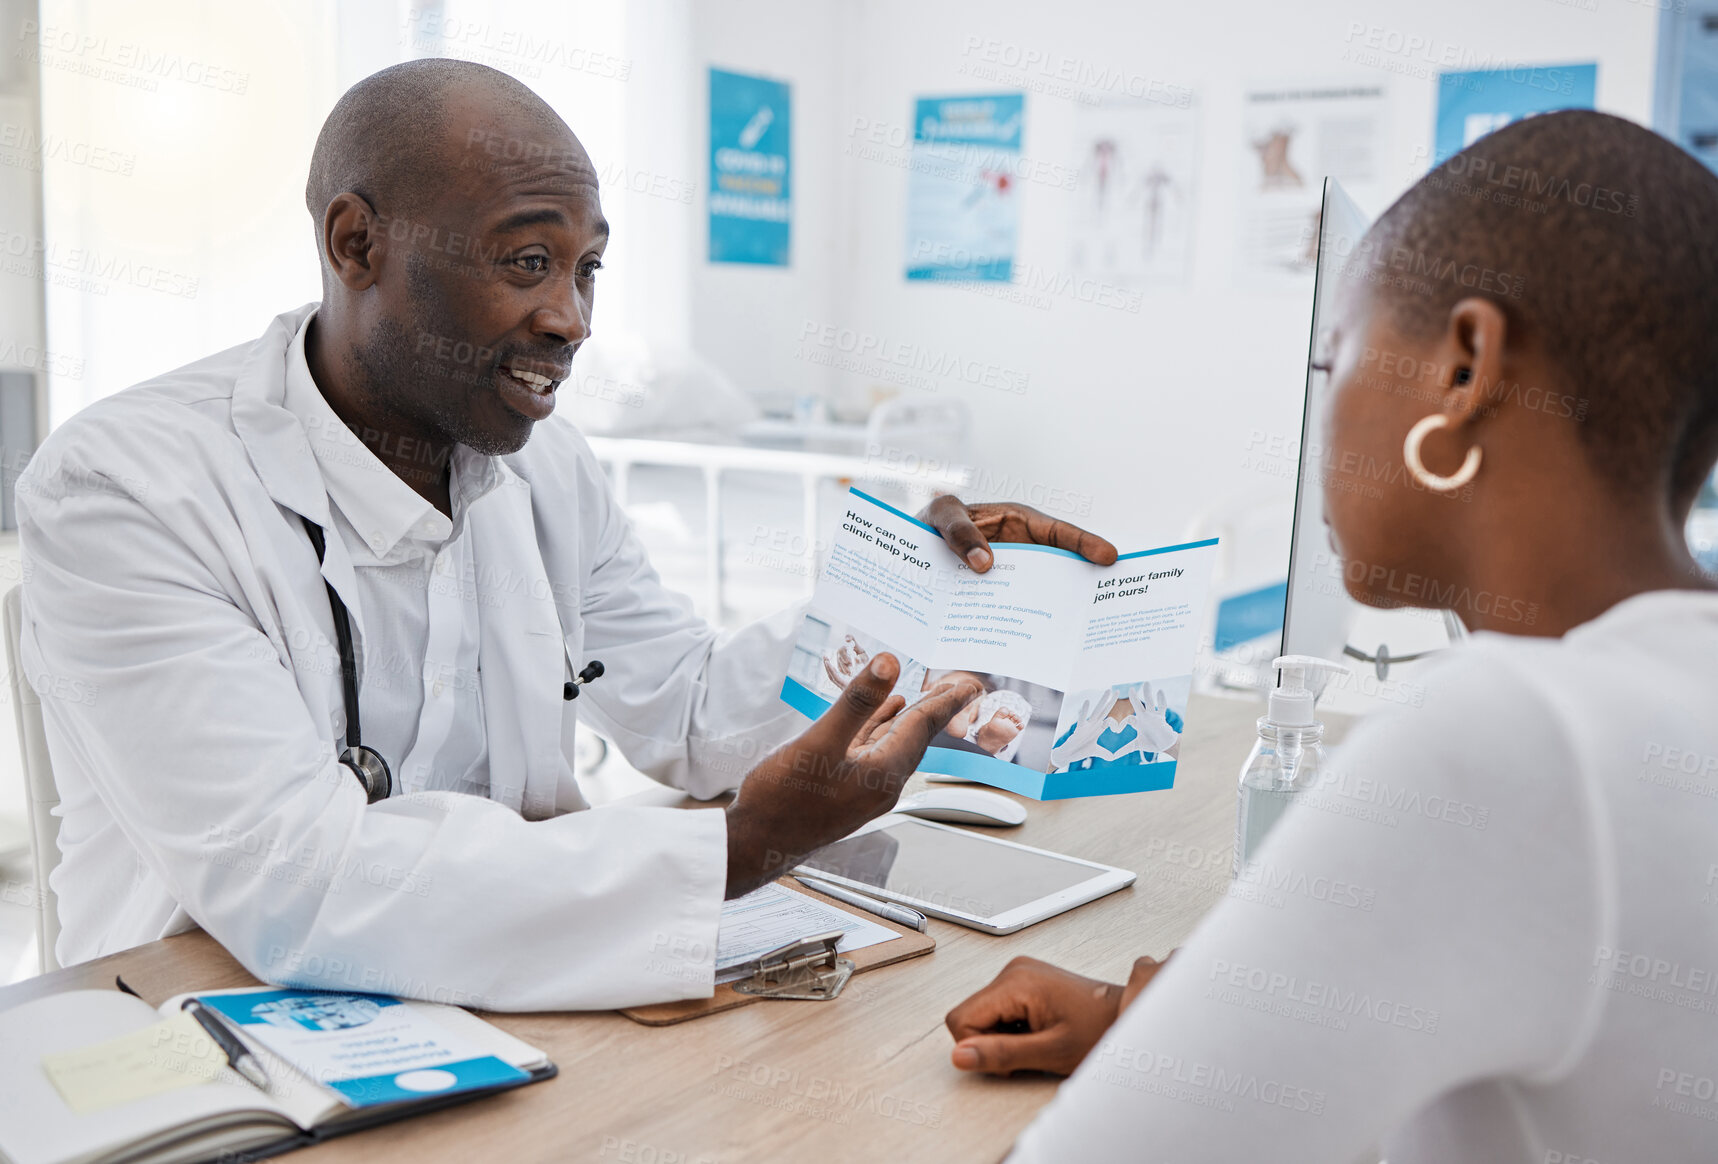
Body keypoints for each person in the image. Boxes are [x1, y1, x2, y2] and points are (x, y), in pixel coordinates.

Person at [13, 59, 1117, 1012]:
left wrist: (905, 601)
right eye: (526, 262)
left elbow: (682, 710)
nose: (571, 321)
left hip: (505, 1001)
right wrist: (733, 852)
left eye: (586, 267)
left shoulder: (544, 465)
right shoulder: (130, 485)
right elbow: (298, 880)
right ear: (357, 243)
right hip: (205, 1025)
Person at [944, 110, 1718, 1162]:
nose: (1322, 414)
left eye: (1331, 362)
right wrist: (1148, 1025)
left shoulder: (1510, 730)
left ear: (1463, 368)